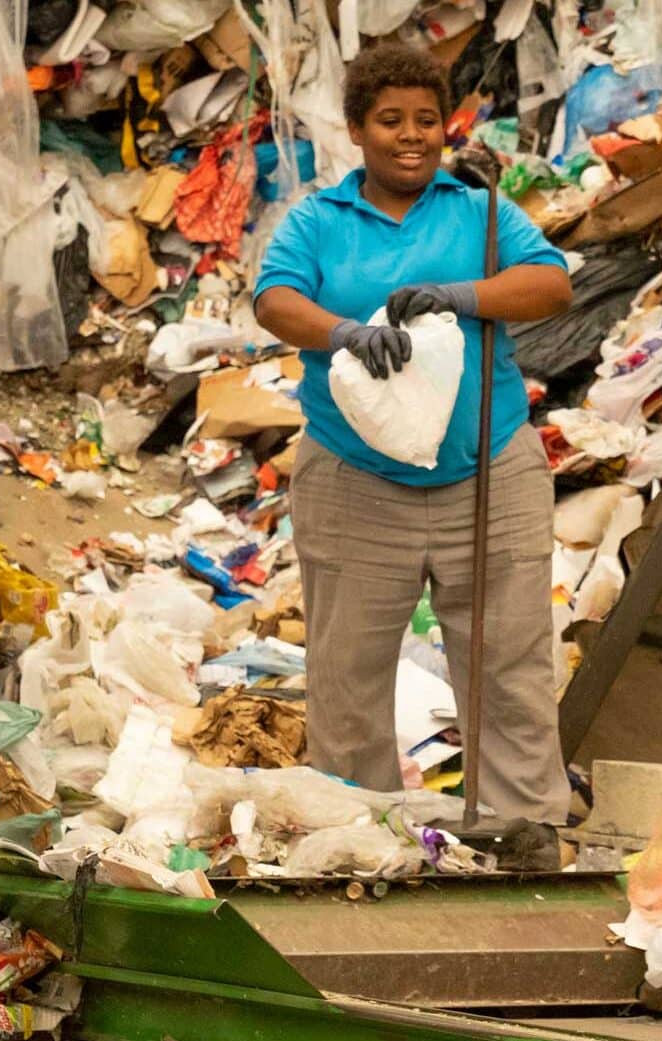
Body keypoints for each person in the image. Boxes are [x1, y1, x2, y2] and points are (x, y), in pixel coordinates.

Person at [251, 44, 575, 824]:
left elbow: (552, 284)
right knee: (350, 678)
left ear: (445, 128)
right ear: (357, 131)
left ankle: (520, 834)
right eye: (390, 120)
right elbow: (274, 300)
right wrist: (342, 335)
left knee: (508, 671)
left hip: (489, 477)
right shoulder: (319, 221)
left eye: (427, 120)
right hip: (355, 485)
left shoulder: (482, 213)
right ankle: (360, 841)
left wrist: (464, 294)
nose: (412, 136)